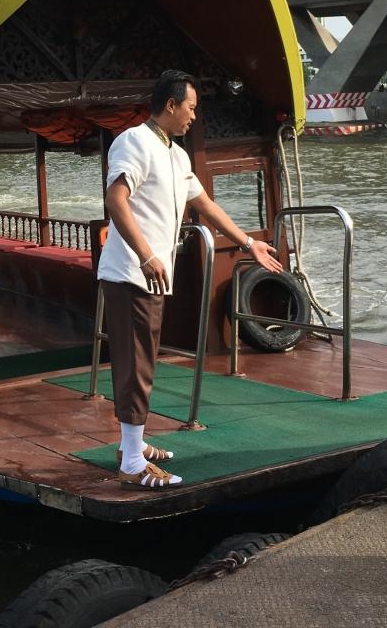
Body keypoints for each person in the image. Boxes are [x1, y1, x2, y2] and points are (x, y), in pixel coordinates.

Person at [97, 70, 284, 489]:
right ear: (170, 105)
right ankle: (131, 463)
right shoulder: (133, 141)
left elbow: (205, 205)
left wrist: (248, 243)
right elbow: (116, 200)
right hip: (130, 273)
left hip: (151, 275)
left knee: (143, 361)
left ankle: (132, 446)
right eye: (191, 108)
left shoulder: (177, 155)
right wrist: (146, 255)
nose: (194, 116)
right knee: (136, 364)